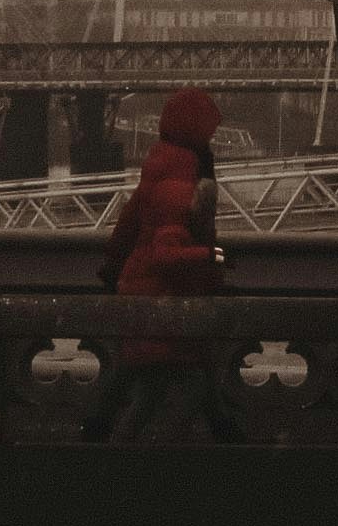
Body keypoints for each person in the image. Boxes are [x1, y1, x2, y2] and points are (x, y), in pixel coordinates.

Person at [82, 88, 244, 444]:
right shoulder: (183, 180)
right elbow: (166, 254)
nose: (212, 139)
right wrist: (215, 257)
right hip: (165, 295)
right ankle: (152, 455)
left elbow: (128, 223)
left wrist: (113, 265)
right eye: (209, 131)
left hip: (142, 288)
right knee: (182, 381)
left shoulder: (159, 166)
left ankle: (99, 431)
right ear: (196, 132)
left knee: (146, 373)